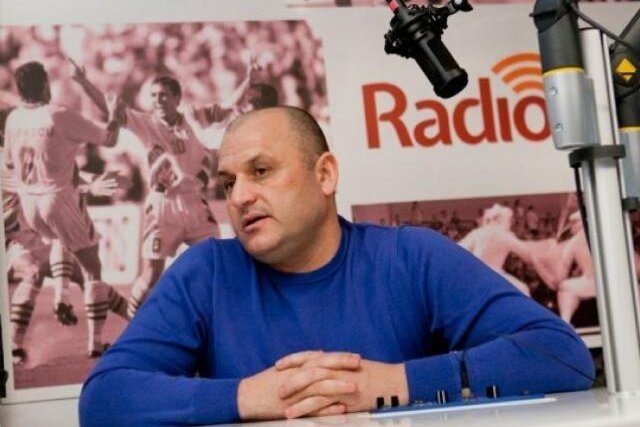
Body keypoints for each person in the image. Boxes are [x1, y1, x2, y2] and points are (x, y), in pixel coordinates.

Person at [79, 106, 594, 426]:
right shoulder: (206, 272)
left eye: (261, 171)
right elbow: (104, 400)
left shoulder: (411, 256)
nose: (239, 197)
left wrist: (392, 385)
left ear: (324, 175)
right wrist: (251, 397)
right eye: (229, 183)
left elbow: (562, 356)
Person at [68, 59, 257, 317]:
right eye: (154, 95)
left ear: (177, 99)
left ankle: (219, 322)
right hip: (162, 206)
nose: (158, 100)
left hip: (195, 205)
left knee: (217, 263)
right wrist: (82, 82)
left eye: (164, 95)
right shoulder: (146, 123)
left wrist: (248, 80)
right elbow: (108, 105)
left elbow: (226, 106)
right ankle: (133, 321)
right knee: (151, 273)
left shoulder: (194, 117)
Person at [4, 61, 128, 357]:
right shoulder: (57, 114)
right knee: (92, 269)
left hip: (28, 203)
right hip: (55, 198)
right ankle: (95, 343)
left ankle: (61, 294)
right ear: (44, 85)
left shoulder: (14, 119)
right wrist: (114, 114)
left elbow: (9, 162)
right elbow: (109, 139)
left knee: (57, 247)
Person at [458, 204, 533, 296]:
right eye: (508, 220)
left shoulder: (478, 233)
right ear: (500, 219)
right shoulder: (504, 235)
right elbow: (526, 253)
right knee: (523, 289)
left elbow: (458, 249)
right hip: (494, 276)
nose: (509, 224)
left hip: (475, 275)